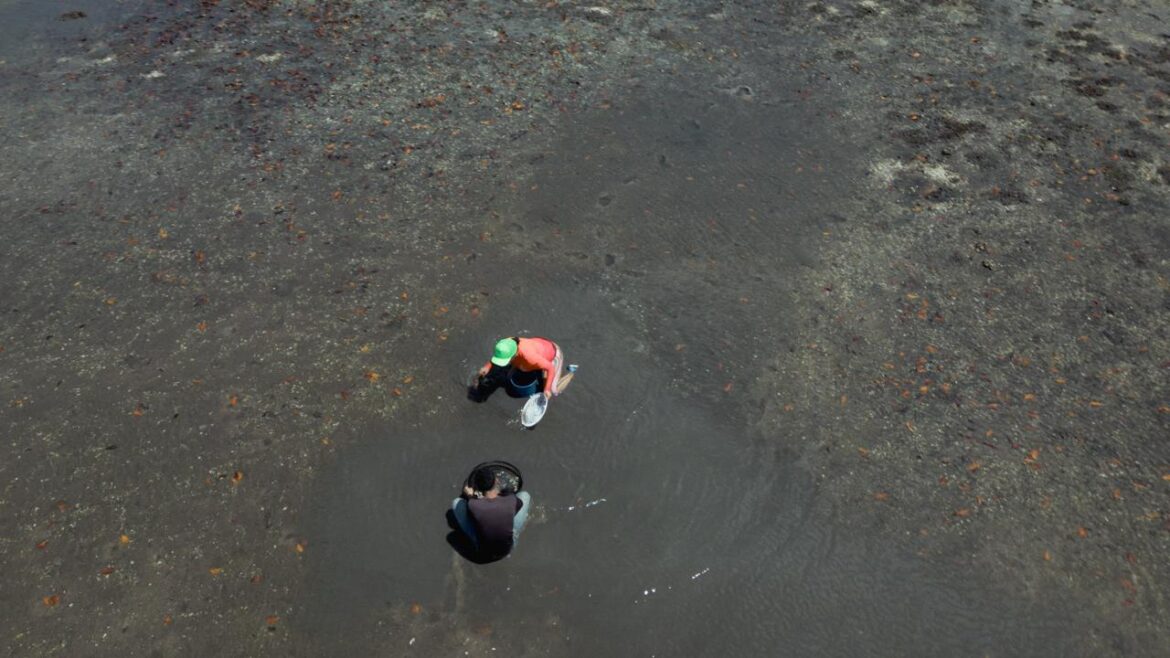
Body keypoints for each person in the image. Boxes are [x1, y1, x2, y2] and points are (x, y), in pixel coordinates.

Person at [451, 466, 531, 559]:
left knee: (456, 502)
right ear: (496, 481)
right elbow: (519, 504)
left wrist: (470, 495)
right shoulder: (511, 500)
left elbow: (472, 508)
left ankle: (474, 540)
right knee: (525, 495)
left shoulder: (473, 505)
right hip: (506, 549)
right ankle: (512, 534)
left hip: (483, 551)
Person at [476, 336, 565, 400]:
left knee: (553, 390)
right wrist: (487, 366)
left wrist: (547, 389)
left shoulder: (530, 358)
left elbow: (550, 368)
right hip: (539, 345)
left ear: (514, 354)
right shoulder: (506, 343)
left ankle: (570, 372)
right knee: (522, 368)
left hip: (553, 354)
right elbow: (499, 355)